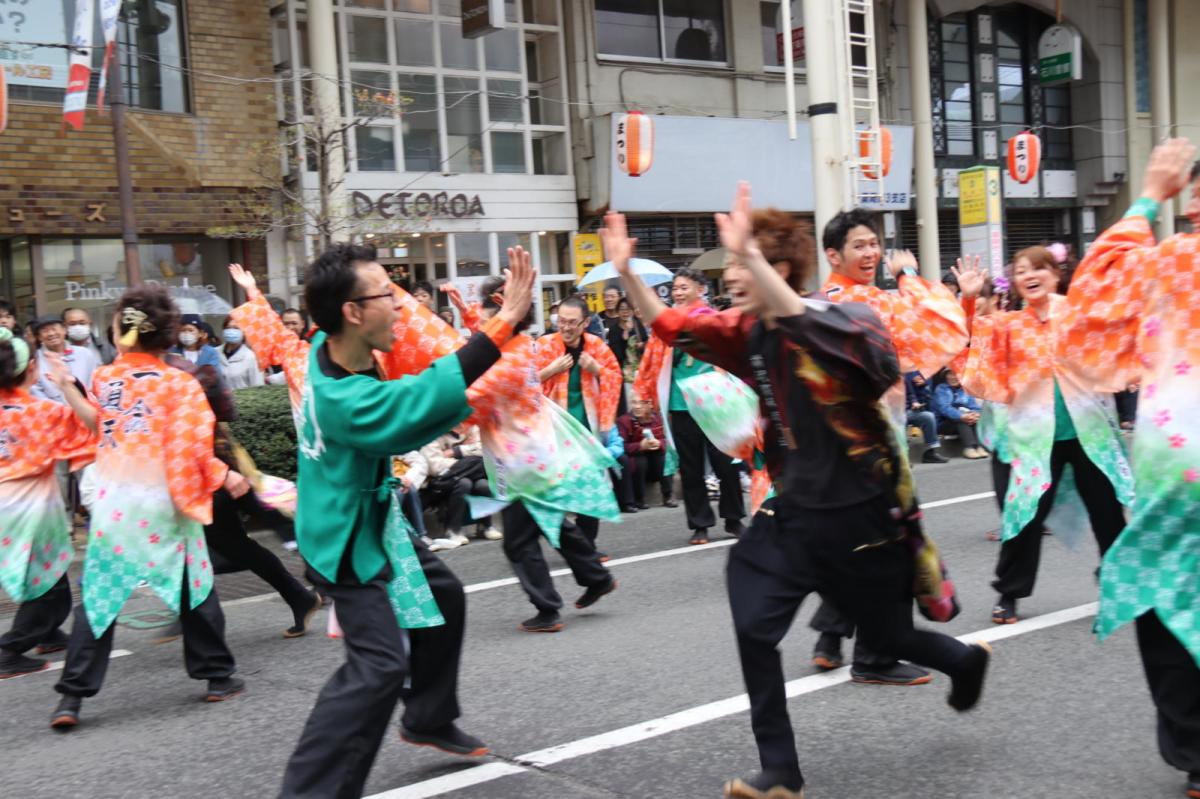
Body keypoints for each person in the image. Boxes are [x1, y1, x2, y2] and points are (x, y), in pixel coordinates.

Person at [606, 184, 990, 799]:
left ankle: (964, 660)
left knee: (889, 639)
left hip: (865, 513)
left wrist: (754, 260)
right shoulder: (749, 330)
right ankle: (780, 770)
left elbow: (854, 351)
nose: (729, 274)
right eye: (731, 263)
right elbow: (673, 325)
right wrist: (625, 272)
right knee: (752, 613)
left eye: (741, 262)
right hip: (795, 510)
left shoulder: (848, 318)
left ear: (778, 268)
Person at [273, 245, 532, 798]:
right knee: (378, 667)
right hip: (344, 537)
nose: (397, 306)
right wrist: (503, 324)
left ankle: (428, 717)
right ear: (351, 312)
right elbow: (419, 398)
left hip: (372, 516)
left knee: (445, 596)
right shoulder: (345, 398)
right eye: (386, 296)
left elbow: (419, 365)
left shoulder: (328, 344)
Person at [1057, 137, 1200, 799]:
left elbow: (1093, 289)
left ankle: (1196, 746)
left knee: (1170, 602)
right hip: (1174, 472)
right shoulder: (1174, 262)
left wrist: (1147, 195)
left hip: (1175, 474)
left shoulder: (1173, 261)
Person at [51, 285, 248, 729]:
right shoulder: (179, 383)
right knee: (193, 587)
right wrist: (225, 475)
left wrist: (67, 389)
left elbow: (98, 426)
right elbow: (193, 449)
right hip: (164, 502)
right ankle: (217, 676)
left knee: (99, 598)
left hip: (116, 502)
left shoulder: (105, 377)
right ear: (166, 334)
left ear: (123, 331)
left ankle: (71, 698)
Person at [808, 208, 969, 685]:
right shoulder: (874, 304)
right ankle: (874, 655)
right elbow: (941, 325)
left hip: (841, 442)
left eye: (874, 244)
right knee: (890, 540)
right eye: (859, 245)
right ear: (833, 254)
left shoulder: (816, 304)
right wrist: (910, 275)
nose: (871, 252)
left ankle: (832, 635)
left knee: (862, 540)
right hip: (875, 440)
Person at [958, 245, 1133, 625]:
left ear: (1055, 275)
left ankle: (1118, 580)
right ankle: (1010, 593)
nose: (1029, 276)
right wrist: (970, 299)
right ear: (1016, 283)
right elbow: (972, 347)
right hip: (1036, 438)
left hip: (1088, 432)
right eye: (1021, 271)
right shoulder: (1009, 325)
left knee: (1108, 512)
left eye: (1038, 268)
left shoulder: (1079, 314)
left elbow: (1118, 333)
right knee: (1025, 515)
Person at [471, 273, 617, 634]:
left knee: (518, 541)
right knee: (550, 521)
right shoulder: (525, 346)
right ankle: (595, 576)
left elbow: (477, 397)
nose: (565, 327)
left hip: (529, 456)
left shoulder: (512, 354)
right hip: (536, 449)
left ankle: (548, 608)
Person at [0, 328, 97, 678]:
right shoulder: (41, 411)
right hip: (29, 503)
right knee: (48, 576)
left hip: (7, 505)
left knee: (41, 572)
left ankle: (48, 633)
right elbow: (94, 425)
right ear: (31, 371)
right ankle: (9, 649)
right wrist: (68, 386)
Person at [635, 266, 745, 544]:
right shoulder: (667, 322)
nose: (678, 293)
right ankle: (700, 523)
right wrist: (644, 396)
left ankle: (733, 518)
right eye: (675, 288)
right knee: (691, 466)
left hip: (715, 402)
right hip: (680, 402)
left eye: (684, 287)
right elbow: (651, 362)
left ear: (701, 289)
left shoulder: (713, 319)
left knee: (726, 462)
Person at [535, 295, 623, 548]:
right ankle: (545, 540)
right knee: (553, 489)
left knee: (589, 486)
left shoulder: (596, 346)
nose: (566, 327)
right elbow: (522, 385)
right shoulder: (543, 345)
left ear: (585, 322)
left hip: (586, 428)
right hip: (553, 431)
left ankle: (587, 546)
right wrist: (550, 370)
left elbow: (615, 378)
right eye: (561, 321)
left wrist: (596, 369)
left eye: (572, 322)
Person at [419, 425, 500, 548]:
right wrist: (469, 460)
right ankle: (454, 530)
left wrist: (456, 451)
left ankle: (485, 526)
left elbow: (485, 449)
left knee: (483, 484)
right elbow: (436, 466)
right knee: (464, 482)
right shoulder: (433, 431)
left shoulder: (472, 427)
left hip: (471, 472)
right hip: (442, 480)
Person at [616, 393, 674, 510]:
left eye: (642, 403)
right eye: (634, 402)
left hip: (654, 465)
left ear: (650, 405)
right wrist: (640, 446)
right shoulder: (623, 421)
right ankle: (639, 500)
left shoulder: (658, 419)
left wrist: (659, 443)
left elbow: (666, 440)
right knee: (640, 460)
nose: (637, 407)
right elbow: (621, 446)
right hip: (637, 466)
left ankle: (668, 496)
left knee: (664, 457)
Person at [29, 314, 100, 404]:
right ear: (39, 337)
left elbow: (96, 384)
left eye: (54, 329)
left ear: (64, 330)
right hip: (53, 414)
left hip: (88, 410)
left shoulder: (85, 354)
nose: (51, 333)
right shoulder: (35, 359)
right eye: (45, 331)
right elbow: (35, 391)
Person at [932, 368, 988, 459]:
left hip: (963, 417)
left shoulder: (965, 389)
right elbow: (945, 409)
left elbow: (973, 406)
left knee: (974, 419)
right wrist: (961, 416)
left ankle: (979, 447)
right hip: (943, 423)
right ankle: (969, 448)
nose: (953, 377)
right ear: (945, 376)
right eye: (950, 374)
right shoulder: (941, 389)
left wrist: (975, 414)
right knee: (961, 420)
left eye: (956, 374)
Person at [905, 371, 946, 463]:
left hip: (911, 410)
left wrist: (914, 402)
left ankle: (930, 453)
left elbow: (911, 394)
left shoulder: (923, 369)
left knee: (928, 417)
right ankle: (903, 458)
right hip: (896, 412)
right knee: (900, 420)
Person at [219, 317, 265, 389]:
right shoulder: (215, 353)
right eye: (228, 328)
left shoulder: (251, 357)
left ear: (244, 332)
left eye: (236, 328)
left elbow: (258, 386)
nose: (231, 331)